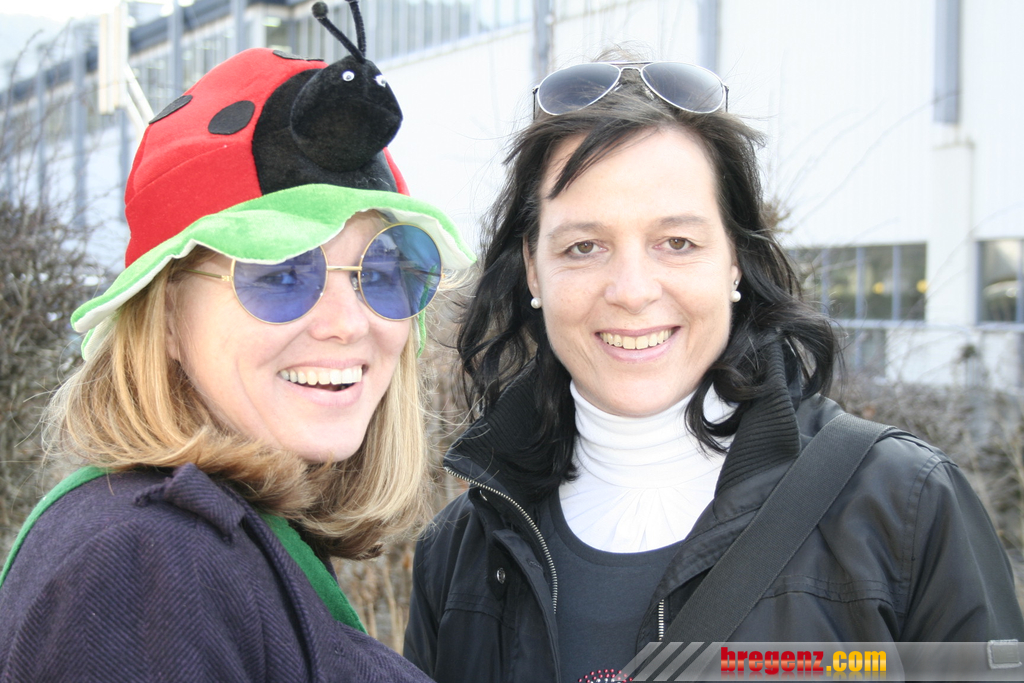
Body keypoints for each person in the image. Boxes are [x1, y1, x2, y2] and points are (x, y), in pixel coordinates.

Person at [403, 57, 1024, 683]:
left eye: (677, 243)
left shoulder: (905, 508)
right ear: (534, 271)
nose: (632, 291)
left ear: (735, 261)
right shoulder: (460, 555)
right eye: (584, 247)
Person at [0, 3, 473, 681]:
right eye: (280, 272)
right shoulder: (145, 573)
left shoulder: (220, 546)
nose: (347, 322)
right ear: (165, 315)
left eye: (383, 271)